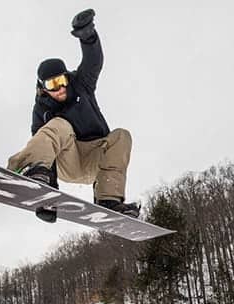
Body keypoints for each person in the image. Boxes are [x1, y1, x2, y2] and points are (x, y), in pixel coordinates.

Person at [7, 8, 139, 220]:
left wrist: (88, 36)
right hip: (70, 160)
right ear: (43, 88)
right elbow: (43, 145)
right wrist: (45, 199)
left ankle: (109, 199)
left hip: (97, 158)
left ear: (67, 77)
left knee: (121, 135)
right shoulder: (42, 109)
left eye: (62, 80)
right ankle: (31, 172)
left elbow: (93, 62)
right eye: (52, 84)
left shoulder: (81, 84)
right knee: (58, 125)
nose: (59, 88)